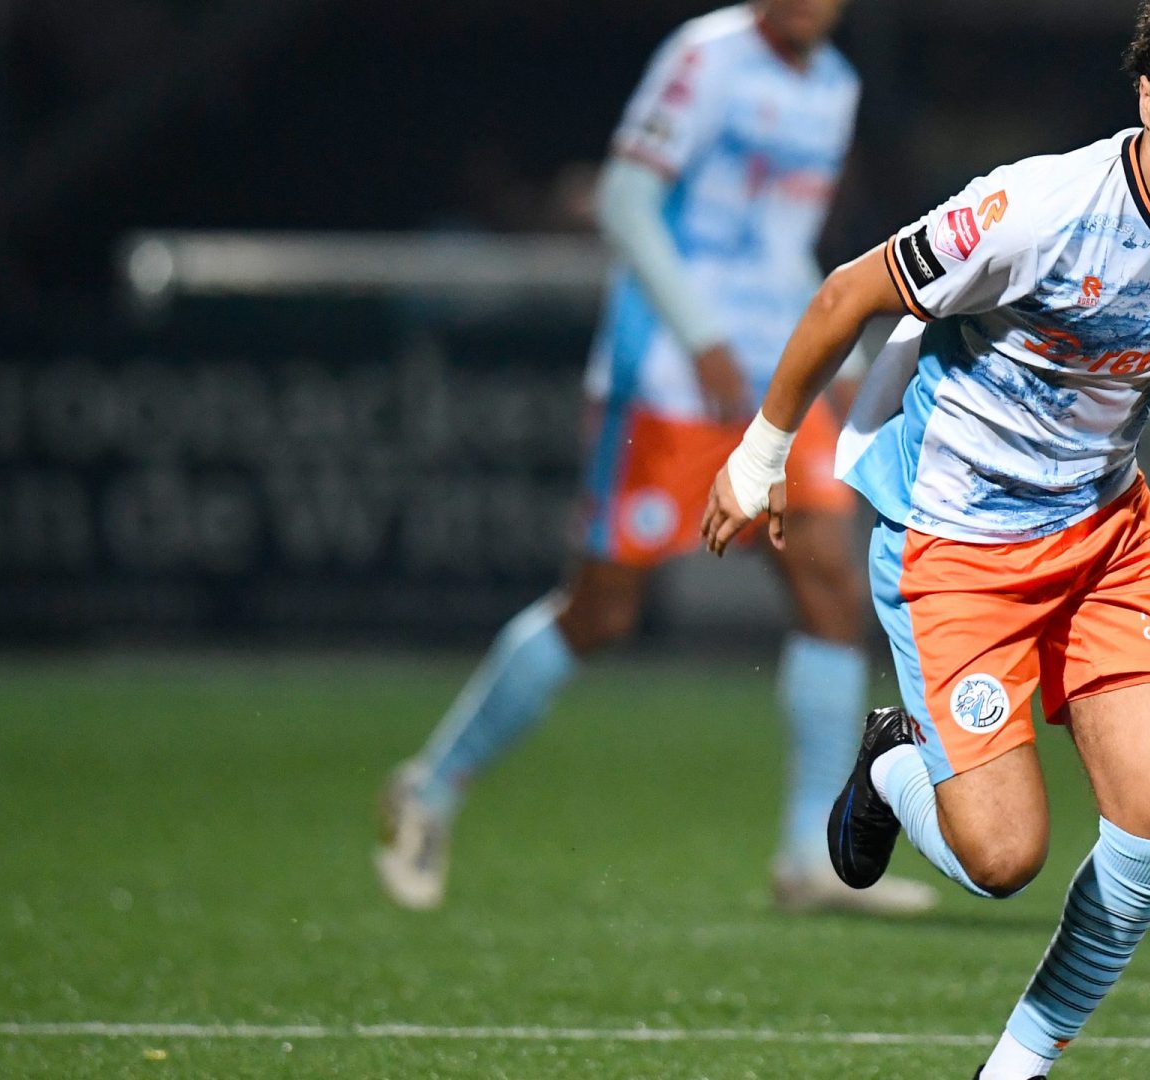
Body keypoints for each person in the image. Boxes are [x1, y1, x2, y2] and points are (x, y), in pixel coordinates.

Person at [702, 0, 1150, 1074]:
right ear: (1144, 98)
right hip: (956, 544)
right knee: (1002, 859)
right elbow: (849, 292)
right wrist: (758, 455)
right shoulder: (1038, 207)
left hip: (1104, 538)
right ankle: (894, 763)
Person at [376, 0, 936, 918]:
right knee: (601, 609)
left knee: (833, 587)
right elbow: (627, 202)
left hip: (770, 378)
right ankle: (430, 787)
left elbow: (783, 245)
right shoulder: (704, 54)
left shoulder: (834, 86)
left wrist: (847, 363)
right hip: (669, 374)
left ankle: (809, 855)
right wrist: (701, 333)